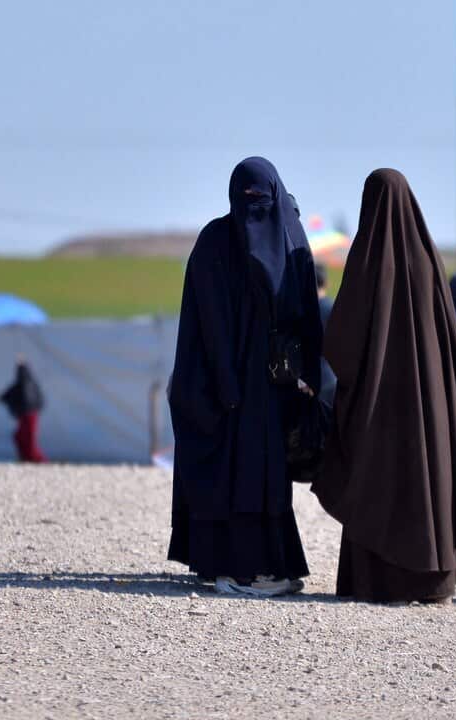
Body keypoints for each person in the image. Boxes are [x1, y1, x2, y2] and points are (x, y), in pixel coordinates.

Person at [312, 168, 456, 604]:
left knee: (378, 475)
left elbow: (342, 340)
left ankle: (377, 581)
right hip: (430, 400)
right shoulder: (428, 260)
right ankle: (431, 582)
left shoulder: (368, 260)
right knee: (428, 469)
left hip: (379, 403)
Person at [167, 157, 322, 598]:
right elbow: (203, 320)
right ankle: (230, 565)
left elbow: (308, 315)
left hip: (270, 387)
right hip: (220, 385)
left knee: (262, 477)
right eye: (245, 197)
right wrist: (224, 381)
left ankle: (259, 566)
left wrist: (309, 374)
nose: (253, 207)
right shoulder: (216, 241)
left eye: (261, 198)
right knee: (228, 471)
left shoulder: (290, 238)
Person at [0, 357, 47, 463]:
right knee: (19, 437)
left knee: (29, 438)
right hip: (25, 416)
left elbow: (38, 400)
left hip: (30, 415)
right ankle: (26, 457)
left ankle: (37, 459)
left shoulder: (29, 384)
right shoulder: (21, 385)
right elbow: (5, 396)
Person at [314, 262, 337, 405]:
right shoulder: (333, 306)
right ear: (326, 283)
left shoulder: (305, 309)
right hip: (331, 374)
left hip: (308, 377)